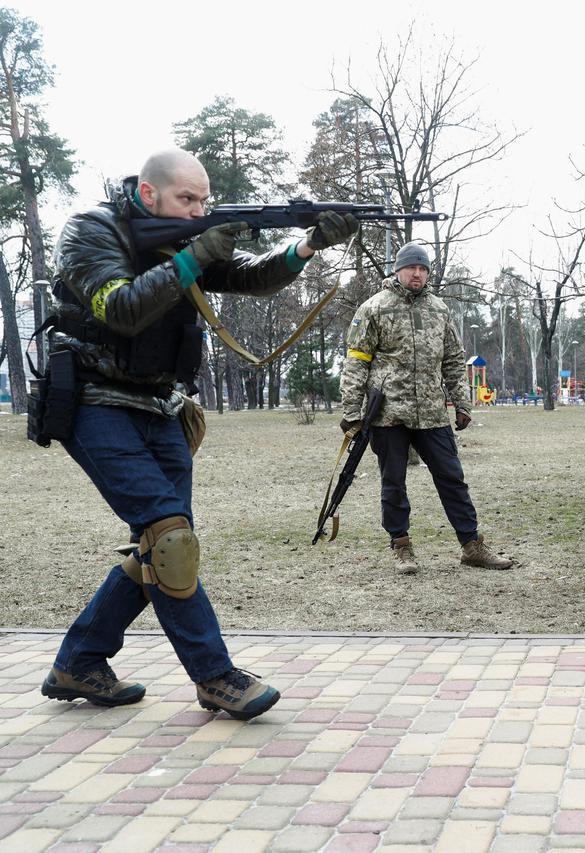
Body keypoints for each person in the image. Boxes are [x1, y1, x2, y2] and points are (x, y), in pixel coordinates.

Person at [40, 149, 359, 720]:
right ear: (147, 195)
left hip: (162, 405)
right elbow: (120, 309)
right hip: (96, 402)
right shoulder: (89, 231)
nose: (197, 212)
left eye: (204, 202)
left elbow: (248, 277)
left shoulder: (181, 236)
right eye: (186, 200)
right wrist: (196, 255)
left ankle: (79, 661)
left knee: (162, 546)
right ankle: (215, 677)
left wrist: (306, 246)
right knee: (169, 539)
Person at [340, 242, 513, 575]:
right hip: (388, 413)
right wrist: (352, 410)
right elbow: (356, 361)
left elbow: (451, 359)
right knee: (393, 483)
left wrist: (462, 402)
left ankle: (472, 546)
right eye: (411, 268)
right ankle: (401, 547)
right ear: (398, 270)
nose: (417, 274)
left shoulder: (439, 309)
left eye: (422, 269)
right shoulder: (373, 308)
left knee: (452, 479)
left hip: (433, 412)